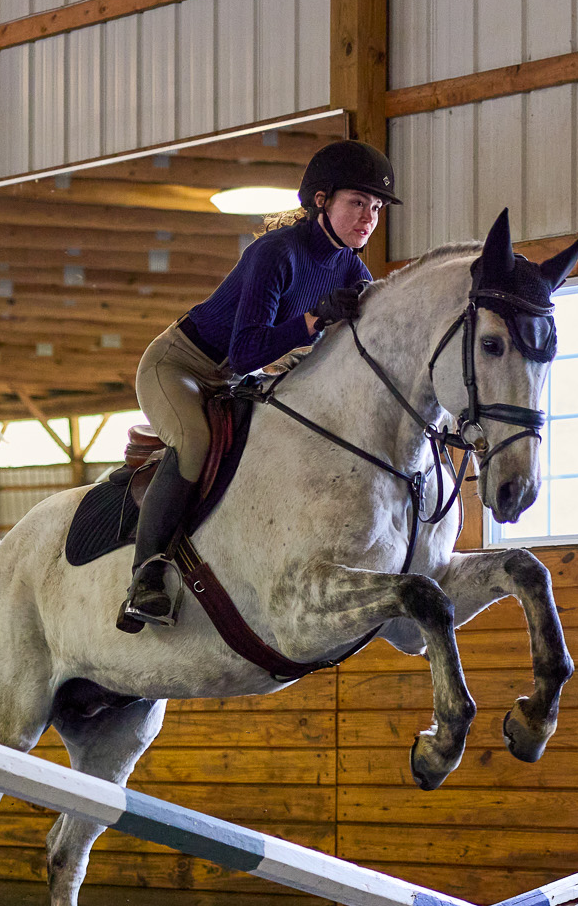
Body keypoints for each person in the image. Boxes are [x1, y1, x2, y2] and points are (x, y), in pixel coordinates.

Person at [120, 138, 401, 628]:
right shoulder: (276, 253)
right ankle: (144, 578)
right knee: (195, 442)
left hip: (235, 379)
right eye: (357, 202)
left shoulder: (353, 270)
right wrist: (313, 321)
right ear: (321, 200)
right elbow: (248, 349)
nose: (369, 217)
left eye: (375, 207)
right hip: (180, 366)